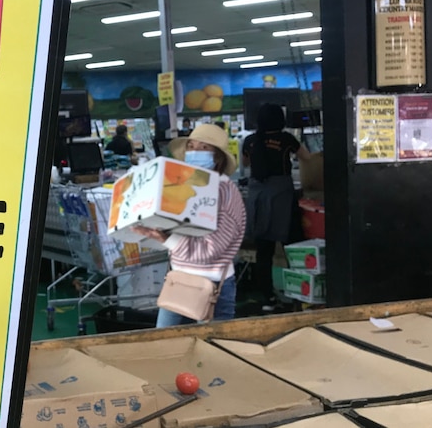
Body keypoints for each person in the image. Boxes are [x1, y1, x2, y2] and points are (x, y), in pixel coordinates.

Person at [132, 124, 246, 327]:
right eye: (191, 146)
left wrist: (167, 239)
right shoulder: (186, 186)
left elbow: (211, 250)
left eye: (204, 148)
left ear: (218, 157)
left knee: (211, 352)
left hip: (211, 287)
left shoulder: (226, 193)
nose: (194, 152)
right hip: (178, 282)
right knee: (166, 349)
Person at [242, 103, 311, 311]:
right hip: (283, 198)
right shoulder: (287, 139)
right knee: (294, 249)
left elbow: (245, 164)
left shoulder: (250, 141)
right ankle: (301, 295)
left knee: (264, 251)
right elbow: (307, 158)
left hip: (259, 198)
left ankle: (267, 298)